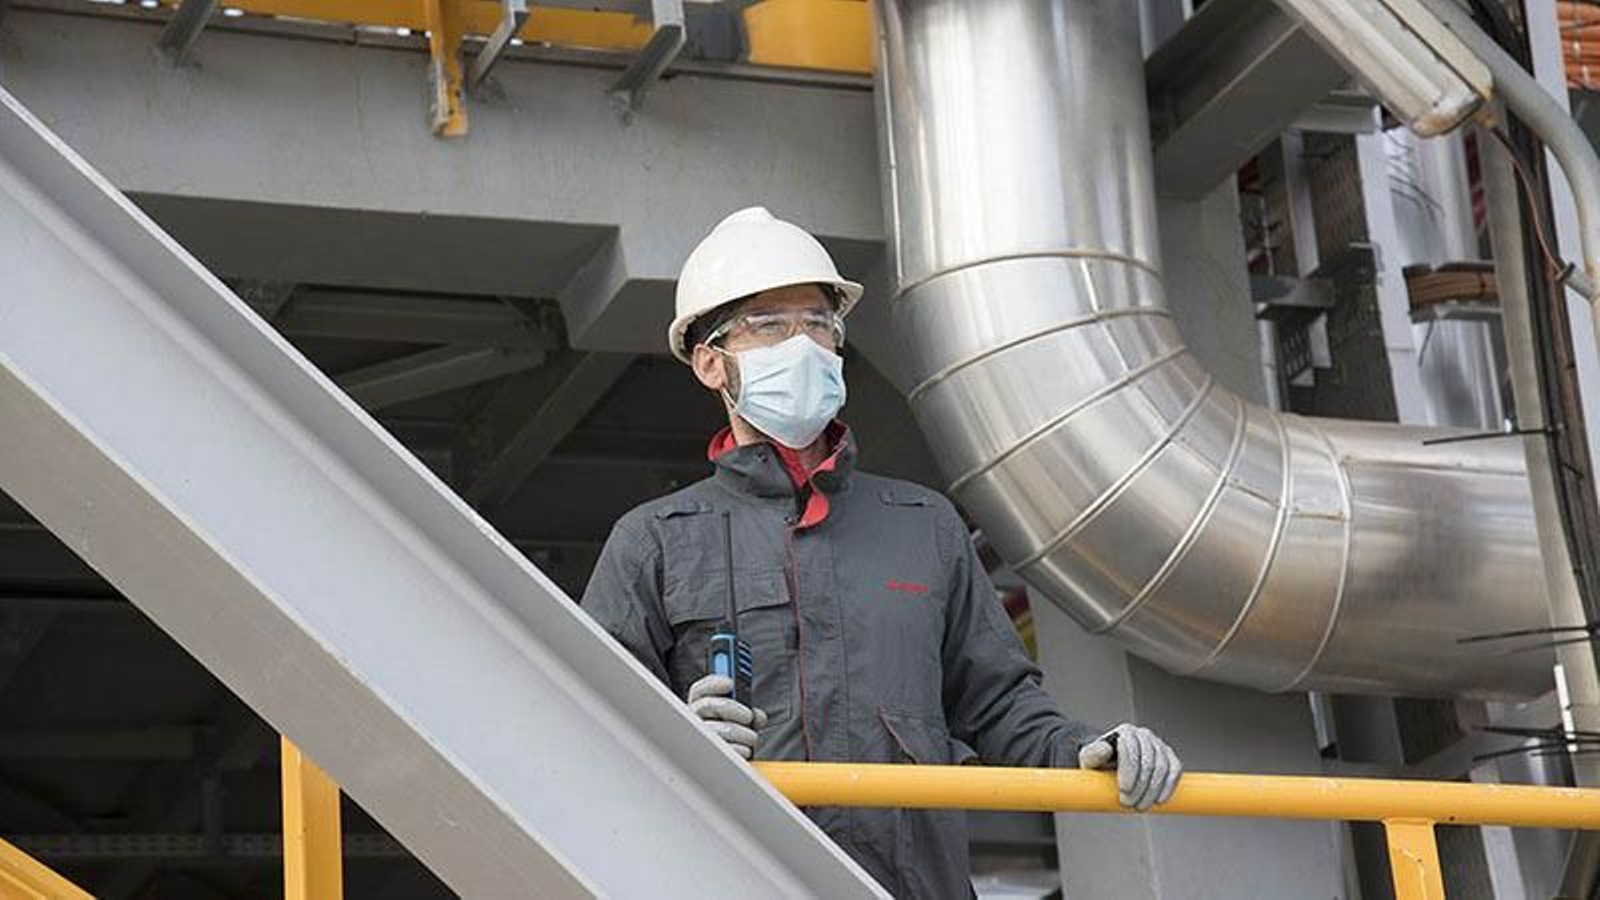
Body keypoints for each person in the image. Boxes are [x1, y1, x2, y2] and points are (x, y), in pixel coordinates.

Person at [580, 207, 1182, 898]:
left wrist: (1087, 752)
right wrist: (673, 741)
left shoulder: (923, 526)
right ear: (710, 362)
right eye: (771, 325)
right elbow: (586, 730)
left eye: (818, 324)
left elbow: (998, 705)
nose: (802, 344)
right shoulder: (655, 541)